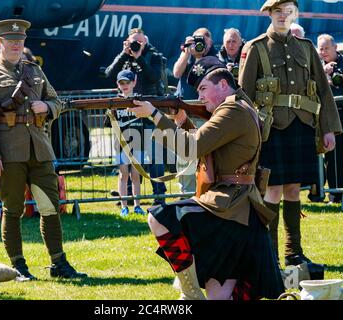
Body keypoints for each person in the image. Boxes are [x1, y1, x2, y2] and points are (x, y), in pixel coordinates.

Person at [129, 56, 284, 300]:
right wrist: (181, 120)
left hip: (229, 208)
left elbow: (191, 148)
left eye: (203, 88)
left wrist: (154, 115)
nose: (199, 96)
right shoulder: (238, 107)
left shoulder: (232, 110)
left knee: (159, 217)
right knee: (219, 297)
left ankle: (191, 294)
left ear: (223, 84)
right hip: (236, 211)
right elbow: (207, 147)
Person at [0, 19, 87, 280]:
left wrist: (47, 108)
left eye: (19, 41)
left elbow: (55, 100)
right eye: (10, 41)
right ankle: (18, 267)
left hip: (40, 150)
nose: (15, 45)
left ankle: (59, 263)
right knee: (12, 210)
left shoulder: (35, 71)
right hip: (7, 153)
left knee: (50, 206)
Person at [238, 0, 342, 267]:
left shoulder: (306, 48)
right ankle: (270, 255)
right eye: (277, 12)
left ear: (294, 14)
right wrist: (244, 136)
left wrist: (328, 128)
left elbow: (323, 90)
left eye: (288, 12)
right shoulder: (256, 47)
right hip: (271, 129)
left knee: (294, 189)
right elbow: (244, 95)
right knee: (272, 191)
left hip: (302, 126)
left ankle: (293, 252)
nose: (283, 17)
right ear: (269, 14)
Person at [105, 28, 167, 205]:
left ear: (145, 42)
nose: (136, 45)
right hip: (127, 117)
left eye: (139, 42)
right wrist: (124, 55)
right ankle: (130, 196)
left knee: (154, 155)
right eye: (133, 41)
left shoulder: (154, 56)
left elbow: (154, 77)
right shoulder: (125, 56)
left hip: (148, 114)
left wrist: (139, 56)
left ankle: (159, 195)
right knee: (129, 157)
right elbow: (109, 74)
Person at [173, 28, 218, 195]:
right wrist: (186, 52)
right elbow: (177, 72)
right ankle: (186, 193)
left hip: (206, 116)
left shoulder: (213, 59)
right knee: (186, 155)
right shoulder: (187, 58)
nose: (200, 45)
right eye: (197, 41)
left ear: (210, 43)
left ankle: (208, 192)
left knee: (208, 157)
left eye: (203, 41)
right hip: (186, 116)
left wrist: (202, 56)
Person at [112, 70, 146, 217]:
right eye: (122, 83)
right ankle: (124, 206)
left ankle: (137, 206)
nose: (125, 85)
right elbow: (110, 123)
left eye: (127, 82)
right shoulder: (114, 102)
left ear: (134, 83)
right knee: (123, 174)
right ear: (118, 85)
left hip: (138, 141)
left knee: (136, 174)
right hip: (121, 143)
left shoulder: (139, 100)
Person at [317, 34, 343, 204]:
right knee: (332, 157)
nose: (324, 52)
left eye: (327, 48)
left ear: (335, 48)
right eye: (321, 49)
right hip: (329, 118)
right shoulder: (317, 67)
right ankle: (334, 195)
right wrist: (323, 75)